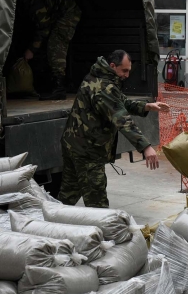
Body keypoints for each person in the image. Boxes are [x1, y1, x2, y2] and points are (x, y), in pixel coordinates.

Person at [59, 50, 170, 208]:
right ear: (112, 66)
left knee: (67, 195)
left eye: (129, 71)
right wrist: (145, 147)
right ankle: (101, 231)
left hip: (75, 145)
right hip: (87, 151)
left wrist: (146, 106)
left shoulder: (100, 78)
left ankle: (49, 224)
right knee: (97, 203)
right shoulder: (104, 87)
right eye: (124, 70)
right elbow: (122, 119)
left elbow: (121, 101)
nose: (127, 75)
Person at [19, 0, 82, 100]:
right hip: (58, 14)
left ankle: (59, 89)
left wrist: (32, 50)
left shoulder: (35, 2)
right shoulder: (28, 0)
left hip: (69, 13)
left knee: (55, 46)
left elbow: (44, 28)